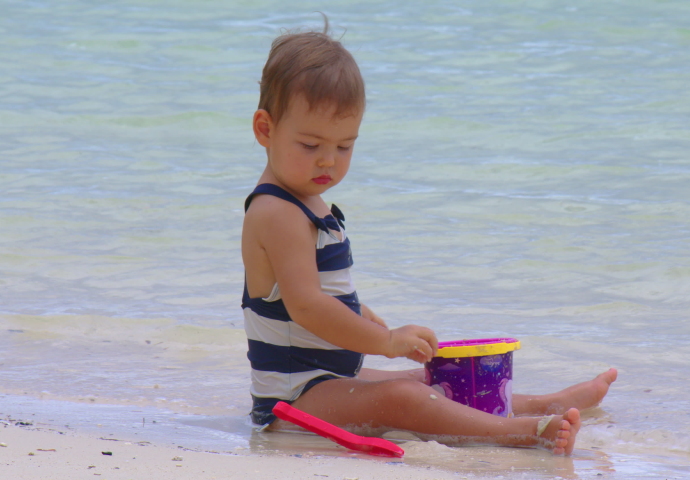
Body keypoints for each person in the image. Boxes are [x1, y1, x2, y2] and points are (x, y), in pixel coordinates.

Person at [241, 23, 617, 456]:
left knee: (426, 383)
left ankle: (542, 404)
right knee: (404, 398)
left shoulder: (306, 202)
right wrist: (384, 341)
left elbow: (311, 291)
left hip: (325, 378)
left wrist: (361, 315)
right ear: (265, 129)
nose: (328, 159)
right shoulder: (277, 212)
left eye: (345, 146)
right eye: (310, 144)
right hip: (292, 401)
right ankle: (527, 432)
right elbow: (306, 305)